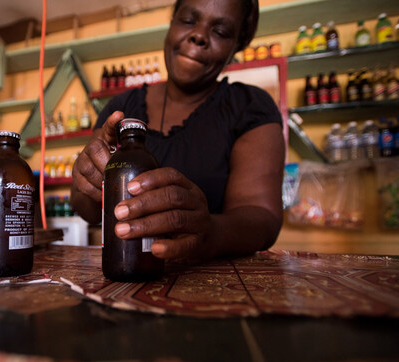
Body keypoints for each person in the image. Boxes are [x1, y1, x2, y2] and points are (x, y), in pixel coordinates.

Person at [71, 0, 285, 260]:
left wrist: (210, 232)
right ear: (171, 23)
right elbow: (86, 208)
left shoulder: (250, 107)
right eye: (188, 20)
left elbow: (262, 218)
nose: (198, 36)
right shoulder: (121, 108)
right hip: (126, 273)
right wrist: (87, 182)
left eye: (220, 32)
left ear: (236, 46)